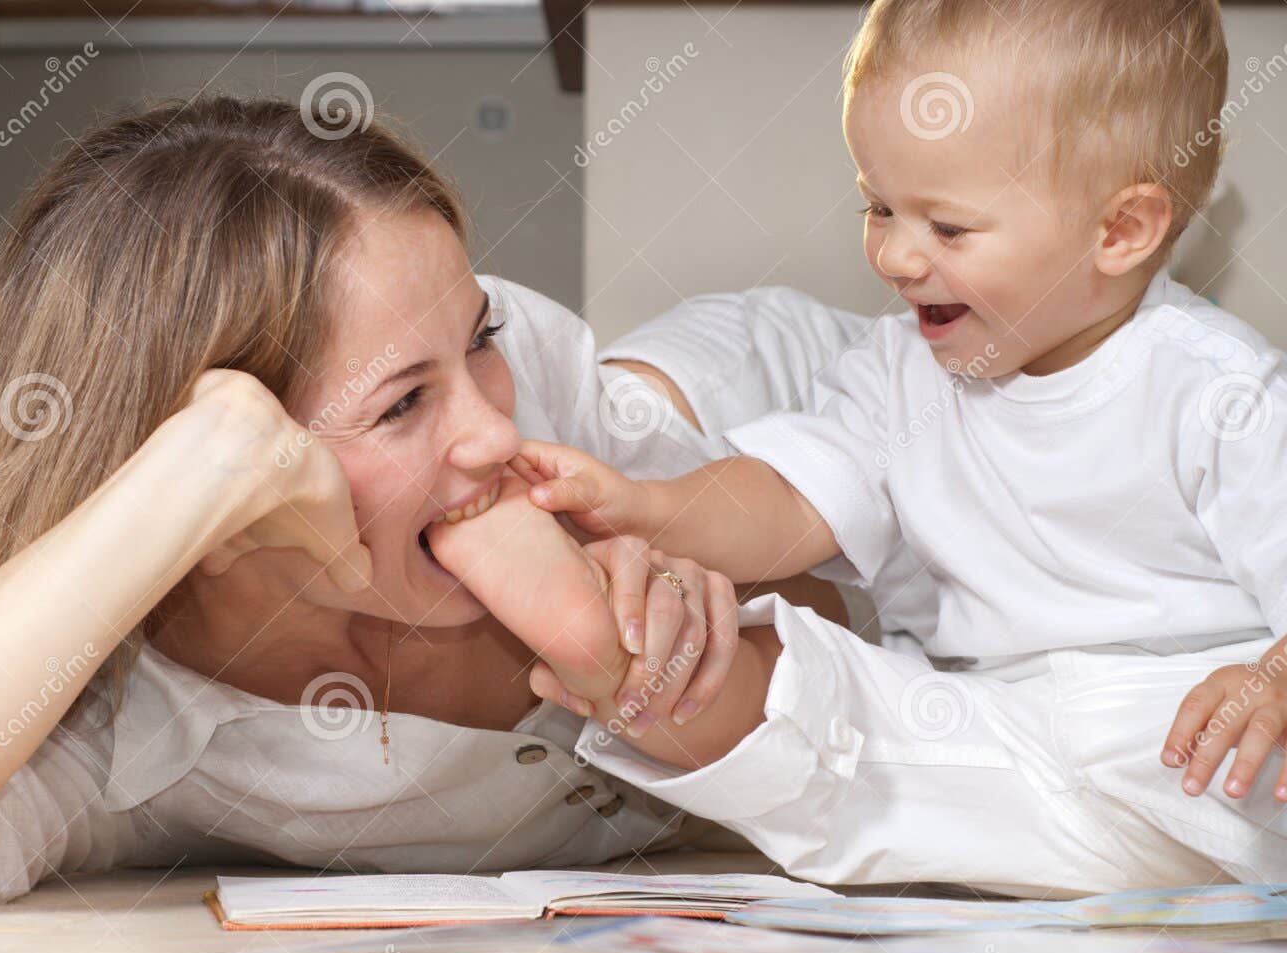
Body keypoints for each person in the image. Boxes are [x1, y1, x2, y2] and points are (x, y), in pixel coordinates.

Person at [0, 94, 862, 923]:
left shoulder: (543, 414)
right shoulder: (120, 720)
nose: (494, 434)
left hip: (778, 391)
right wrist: (192, 481)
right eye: (400, 405)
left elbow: (872, 617)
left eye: (479, 341)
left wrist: (619, 633)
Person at [511, 0, 1287, 892]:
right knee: (821, 681)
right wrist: (645, 505)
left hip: (1171, 738)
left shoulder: (1217, 389)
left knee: (1219, 771)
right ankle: (622, 657)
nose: (897, 258)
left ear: (1120, 231)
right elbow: (790, 498)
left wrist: (1270, 681)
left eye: (946, 228)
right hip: (982, 721)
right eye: (878, 207)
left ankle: (1004, 845)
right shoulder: (899, 370)